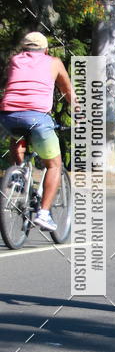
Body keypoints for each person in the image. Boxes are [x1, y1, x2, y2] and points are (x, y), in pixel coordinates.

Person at [0, 31, 75, 230]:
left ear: (23, 49)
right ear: (46, 50)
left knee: (17, 133)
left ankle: (20, 174)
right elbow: (68, 91)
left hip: (7, 115)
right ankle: (43, 214)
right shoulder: (54, 62)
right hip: (37, 117)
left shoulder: (14, 60)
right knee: (54, 166)